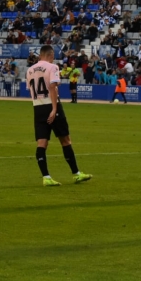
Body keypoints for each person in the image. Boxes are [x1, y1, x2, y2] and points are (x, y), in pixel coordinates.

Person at [25, 45, 92, 186]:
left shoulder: (30, 70)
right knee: (65, 140)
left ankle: (46, 177)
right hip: (52, 106)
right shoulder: (52, 67)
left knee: (42, 143)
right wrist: (54, 108)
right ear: (50, 54)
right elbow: (52, 87)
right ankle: (76, 174)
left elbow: (31, 90)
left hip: (37, 107)